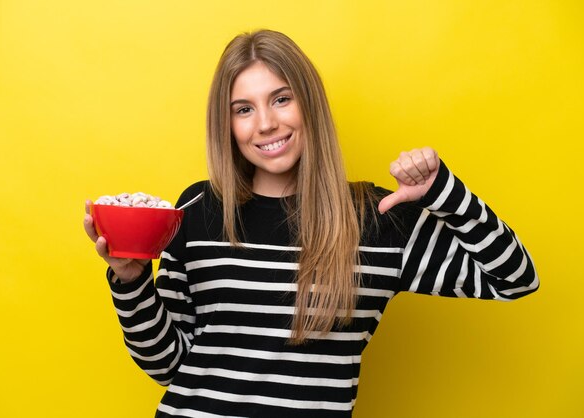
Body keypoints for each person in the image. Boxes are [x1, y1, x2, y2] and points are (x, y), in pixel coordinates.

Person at [83, 29, 539, 418]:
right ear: (227, 124)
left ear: (310, 104)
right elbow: (170, 364)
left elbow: (515, 279)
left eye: (281, 99)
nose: (265, 123)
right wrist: (131, 281)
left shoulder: (380, 219)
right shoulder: (199, 207)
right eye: (243, 109)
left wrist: (445, 193)